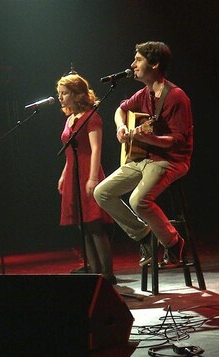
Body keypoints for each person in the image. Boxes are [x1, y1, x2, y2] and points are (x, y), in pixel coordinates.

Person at [94, 41, 193, 268]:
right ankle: (144, 236)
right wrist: (121, 127)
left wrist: (149, 138)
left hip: (170, 160)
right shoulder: (143, 94)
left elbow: (177, 141)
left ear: (155, 64)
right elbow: (121, 109)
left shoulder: (176, 97)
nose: (132, 64)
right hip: (143, 158)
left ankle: (173, 242)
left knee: (138, 200)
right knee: (102, 192)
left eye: (138, 59)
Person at [56, 72, 116, 284]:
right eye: (59, 93)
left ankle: (107, 274)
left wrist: (92, 178)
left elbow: (95, 149)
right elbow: (68, 151)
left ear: (77, 94)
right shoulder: (70, 118)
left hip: (87, 172)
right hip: (73, 173)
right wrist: (64, 174)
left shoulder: (91, 117)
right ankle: (95, 271)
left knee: (94, 224)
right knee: (83, 225)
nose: (60, 97)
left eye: (64, 93)